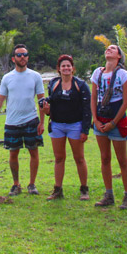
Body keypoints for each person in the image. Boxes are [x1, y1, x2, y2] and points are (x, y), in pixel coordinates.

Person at [0, 44, 46, 195]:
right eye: (19, 55)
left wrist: (42, 122)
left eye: (25, 54)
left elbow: (42, 101)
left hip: (31, 120)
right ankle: (16, 184)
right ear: (13, 59)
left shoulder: (35, 76)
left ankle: (32, 184)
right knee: (13, 154)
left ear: (28, 57)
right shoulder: (7, 78)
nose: (23, 57)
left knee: (33, 152)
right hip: (12, 122)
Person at [90, 44, 127, 210]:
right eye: (107, 48)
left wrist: (113, 123)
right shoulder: (97, 73)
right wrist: (95, 119)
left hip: (116, 120)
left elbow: (125, 101)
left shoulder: (123, 75)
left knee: (122, 160)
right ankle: (108, 194)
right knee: (105, 158)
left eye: (113, 48)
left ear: (119, 56)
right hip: (100, 119)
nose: (109, 49)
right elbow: (94, 97)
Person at [43, 54, 92, 201]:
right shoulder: (53, 84)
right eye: (63, 66)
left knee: (79, 158)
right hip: (57, 125)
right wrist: (46, 110)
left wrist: (85, 130)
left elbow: (86, 109)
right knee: (59, 158)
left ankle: (84, 189)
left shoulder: (80, 85)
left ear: (73, 69)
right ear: (58, 69)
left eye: (68, 66)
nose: (66, 68)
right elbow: (51, 103)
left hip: (75, 126)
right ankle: (57, 190)